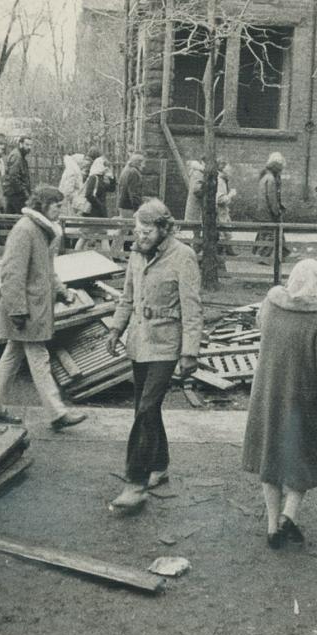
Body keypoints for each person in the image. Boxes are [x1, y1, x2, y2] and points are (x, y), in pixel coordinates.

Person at [241, 258, 317, 549]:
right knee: (302, 459)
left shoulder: (270, 304)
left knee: (270, 460)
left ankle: (272, 527)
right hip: (304, 401)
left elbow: (262, 325)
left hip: (268, 396)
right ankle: (288, 515)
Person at [105, 199, 201, 513]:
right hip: (139, 340)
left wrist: (190, 352)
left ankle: (136, 482)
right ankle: (159, 462)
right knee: (145, 406)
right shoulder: (136, 255)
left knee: (147, 407)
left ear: (163, 228)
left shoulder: (183, 257)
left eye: (147, 231)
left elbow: (192, 309)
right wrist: (116, 329)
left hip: (166, 343)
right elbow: (127, 297)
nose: (141, 236)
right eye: (138, 230)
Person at [0, 186, 87, 431]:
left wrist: (62, 291)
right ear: (43, 205)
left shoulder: (42, 231)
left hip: (31, 308)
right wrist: (17, 309)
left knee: (11, 356)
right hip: (26, 310)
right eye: (57, 205)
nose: (61, 209)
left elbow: (46, 270)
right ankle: (57, 413)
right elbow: (11, 272)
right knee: (39, 359)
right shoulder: (26, 230)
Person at [258, 152, 287, 263]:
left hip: (263, 210)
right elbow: (272, 197)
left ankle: (283, 253)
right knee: (270, 234)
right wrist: (277, 211)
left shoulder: (265, 176)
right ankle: (262, 256)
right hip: (268, 211)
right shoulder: (271, 179)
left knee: (267, 233)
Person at [2, 135, 34, 214]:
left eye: (30, 145)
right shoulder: (17, 156)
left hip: (15, 194)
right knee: (20, 218)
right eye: (27, 145)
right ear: (20, 144)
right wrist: (25, 193)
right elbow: (14, 177)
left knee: (11, 219)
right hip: (16, 195)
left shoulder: (21, 156)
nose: (29, 147)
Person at [59, 153, 89, 217]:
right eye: (82, 161)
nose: (84, 163)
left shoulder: (73, 170)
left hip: (70, 202)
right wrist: (78, 197)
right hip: (69, 203)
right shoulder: (72, 172)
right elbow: (68, 191)